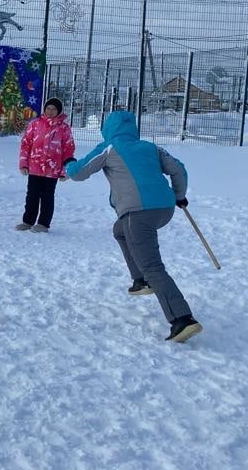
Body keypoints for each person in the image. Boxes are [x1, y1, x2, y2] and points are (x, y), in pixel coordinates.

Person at [66, 111, 202, 343]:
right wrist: (179, 196)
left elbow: (79, 173)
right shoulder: (150, 147)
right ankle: (140, 280)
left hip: (138, 213)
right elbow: (178, 169)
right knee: (120, 230)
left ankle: (182, 318)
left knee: (153, 266)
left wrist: (69, 165)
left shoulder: (109, 147)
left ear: (107, 129)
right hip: (164, 208)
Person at [15, 97, 75, 233]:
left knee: (47, 196)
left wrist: (65, 170)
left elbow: (68, 149)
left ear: (58, 111)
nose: (50, 111)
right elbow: (26, 144)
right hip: (34, 167)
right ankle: (28, 221)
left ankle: (43, 223)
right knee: (32, 195)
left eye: (54, 109)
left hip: (52, 169)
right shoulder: (35, 124)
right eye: (48, 108)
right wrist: (24, 164)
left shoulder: (64, 128)